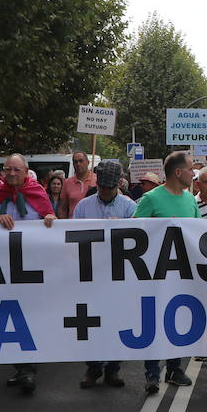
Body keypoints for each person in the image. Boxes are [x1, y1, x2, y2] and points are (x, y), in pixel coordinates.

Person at [0, 153, 56, 395]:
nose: (11, 173)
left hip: (31, 270)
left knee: (29, 316)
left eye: (16, 170)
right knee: (9, 316)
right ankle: (22, 367)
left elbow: (50, 222)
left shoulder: (38, 194)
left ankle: (28, 368)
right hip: (2, 269)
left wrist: (51, 219)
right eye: (7, 169)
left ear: (25, 171)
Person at [133, 151, 198, 392]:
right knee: (154, 321)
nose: (194, 173)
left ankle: (174, 369)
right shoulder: (150, 198)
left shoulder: (191, 200)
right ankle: (151, 373)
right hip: (156, 272)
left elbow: (199, 231)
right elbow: (135, 231)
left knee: (178, 320)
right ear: (178, 172)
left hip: (182, 272)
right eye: (191, 169)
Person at [72, 160, 134, 389]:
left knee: (117, 319)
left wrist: (123, 229)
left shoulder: (129, 208)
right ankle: (93, 367)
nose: (106, 191)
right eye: (102, 186)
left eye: (110, 187)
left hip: (119, 275)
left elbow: (138, 240)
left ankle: (113, 368)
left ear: (118, 182)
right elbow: (71, 239)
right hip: (91, 274)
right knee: (92, 321)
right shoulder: (83, 207)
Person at [60, 152, 96, 218]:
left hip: (93, 225)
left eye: (81, 161)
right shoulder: (67, 183)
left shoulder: (97, 180)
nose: (78, 164)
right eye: (75, 162)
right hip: (74, 225)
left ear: (88, 162)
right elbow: (62, 208)